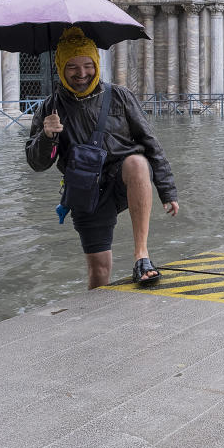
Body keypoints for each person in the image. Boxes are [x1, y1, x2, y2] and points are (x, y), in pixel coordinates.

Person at [26, 27, 179, 289]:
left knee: (137, 162)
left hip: (123, 179)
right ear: (60, 67)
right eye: (72, 67)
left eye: (88, 65)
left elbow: (150, 142)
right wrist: (47, 135)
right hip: (85, 191)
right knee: (99, 271)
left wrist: (168, 191)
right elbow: (38, 163)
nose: (82, 74)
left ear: (96, 64)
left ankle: (141, 255)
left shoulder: (119, 96)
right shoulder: (49, 108)